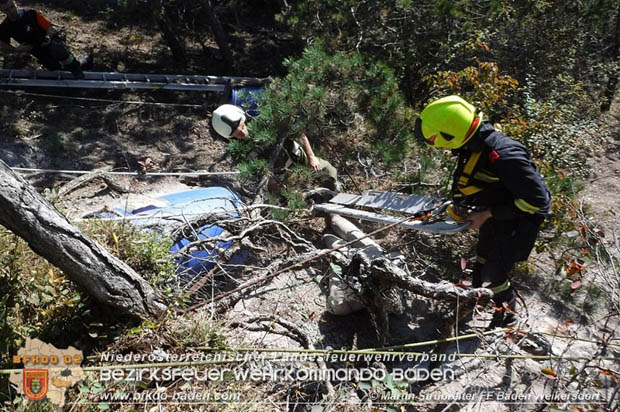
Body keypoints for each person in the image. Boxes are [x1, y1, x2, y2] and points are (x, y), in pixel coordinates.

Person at [414, 95, 551, 327]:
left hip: (517, 222)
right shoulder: (474, 142)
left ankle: (505, 319)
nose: (441, 145)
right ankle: (471, 305)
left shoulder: (504, 155)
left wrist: (487, 214)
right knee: (481, 263)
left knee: (497, 273)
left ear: (453, 133)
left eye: (441, 140)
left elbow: (538, 201)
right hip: (498, 215)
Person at [211, 104, 341, 191]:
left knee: (328, 171)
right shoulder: (239, 151)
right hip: (279, 176)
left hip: (295, 155)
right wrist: (286, 190)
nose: (243, 133)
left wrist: (311, 157)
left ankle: (336, 191)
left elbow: (299, 133)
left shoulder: (265, 122)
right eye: (238, 134)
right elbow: (256, 177)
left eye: (243, 127)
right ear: (231, 138)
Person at [0, 0, 86, 78]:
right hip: (37, 51)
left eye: (12, 7)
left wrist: (47, 38)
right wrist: (17, 50)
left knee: (58, 48)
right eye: (7, 10)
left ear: (15, 4)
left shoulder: (30, 13)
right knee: (55, 68)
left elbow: (49, 28)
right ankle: (77, 64)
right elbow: (3, 44)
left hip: (50, 42)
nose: (11, 11)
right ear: (2, 11)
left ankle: (76, 68)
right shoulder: (5, 26)